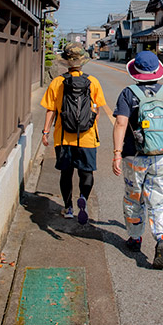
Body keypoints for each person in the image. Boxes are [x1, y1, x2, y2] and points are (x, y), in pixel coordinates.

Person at [112, 51, 163, 269]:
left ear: (136, 71)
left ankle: (135, 239)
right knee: (159, 200)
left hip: (134, 157)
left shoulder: (128, 94)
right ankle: (161, 238)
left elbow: (120, 124)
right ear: (157, 71)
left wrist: (117, 153)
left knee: (133, 198)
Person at [41, 43, 107, 224]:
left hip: (63, 137)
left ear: (66, 62)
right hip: (87, 137)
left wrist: (46, 132)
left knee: (66, 173)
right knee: (86, 172)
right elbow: (97, 110)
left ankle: (68, 207)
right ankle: (83, 198)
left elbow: (50, 110)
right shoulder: (92, 82)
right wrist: (91, 127)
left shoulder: (57, 82)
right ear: (82, 61)